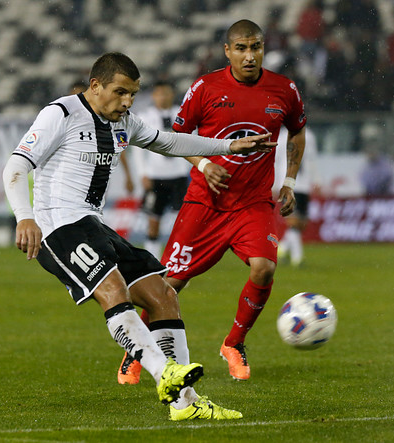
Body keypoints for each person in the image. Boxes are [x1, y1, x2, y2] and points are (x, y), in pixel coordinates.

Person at [3, 52, 275, 420]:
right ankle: (165, 373)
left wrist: (227, 147)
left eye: (133, 93)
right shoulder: (62, 113)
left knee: (163, 295)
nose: (128, 101)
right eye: (120, 92)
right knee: (113, 290)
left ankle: (187, 405)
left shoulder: (124, 122)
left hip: (92, 225)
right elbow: (17, 164)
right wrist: (25, 217)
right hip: (58, 228)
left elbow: (170, 142)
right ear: (95, 86)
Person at [117, 20, 306, 382]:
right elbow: (178, 137)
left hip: (252, 204)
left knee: (265, 267)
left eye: (256, 47)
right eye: (241, 48)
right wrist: (203, 164)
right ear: (227, 51)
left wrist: (290, 181)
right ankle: (136, 349)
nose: (250, 56)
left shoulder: (284, 89)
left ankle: (234, 343)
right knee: (169, 284)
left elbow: (297, 130)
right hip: (205, 202)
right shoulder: (205, 88)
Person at [131, 80, 191, 258]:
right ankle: (153, 263)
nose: (163, 97)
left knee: (180, 222)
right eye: (159, 93)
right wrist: (142, 173)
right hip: (155, 176)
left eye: (166, 93)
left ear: (172, 94)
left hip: (179, 175)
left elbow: (191, 142)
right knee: (153, 219)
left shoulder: (181, 114)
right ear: (153, 96)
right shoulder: (145, 117)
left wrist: (189, 169)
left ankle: (177, 262)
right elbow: (137, 149)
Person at [274, 127, 319, 267]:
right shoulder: (282, 136)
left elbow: (311, 159)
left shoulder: (308, 135)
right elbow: (278, 160)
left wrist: (316, 180)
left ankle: (283, 247)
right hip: (288, 184)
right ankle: (297, 258)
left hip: (303, 184)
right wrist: (276, 184)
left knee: (301, 224)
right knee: (293, 222)